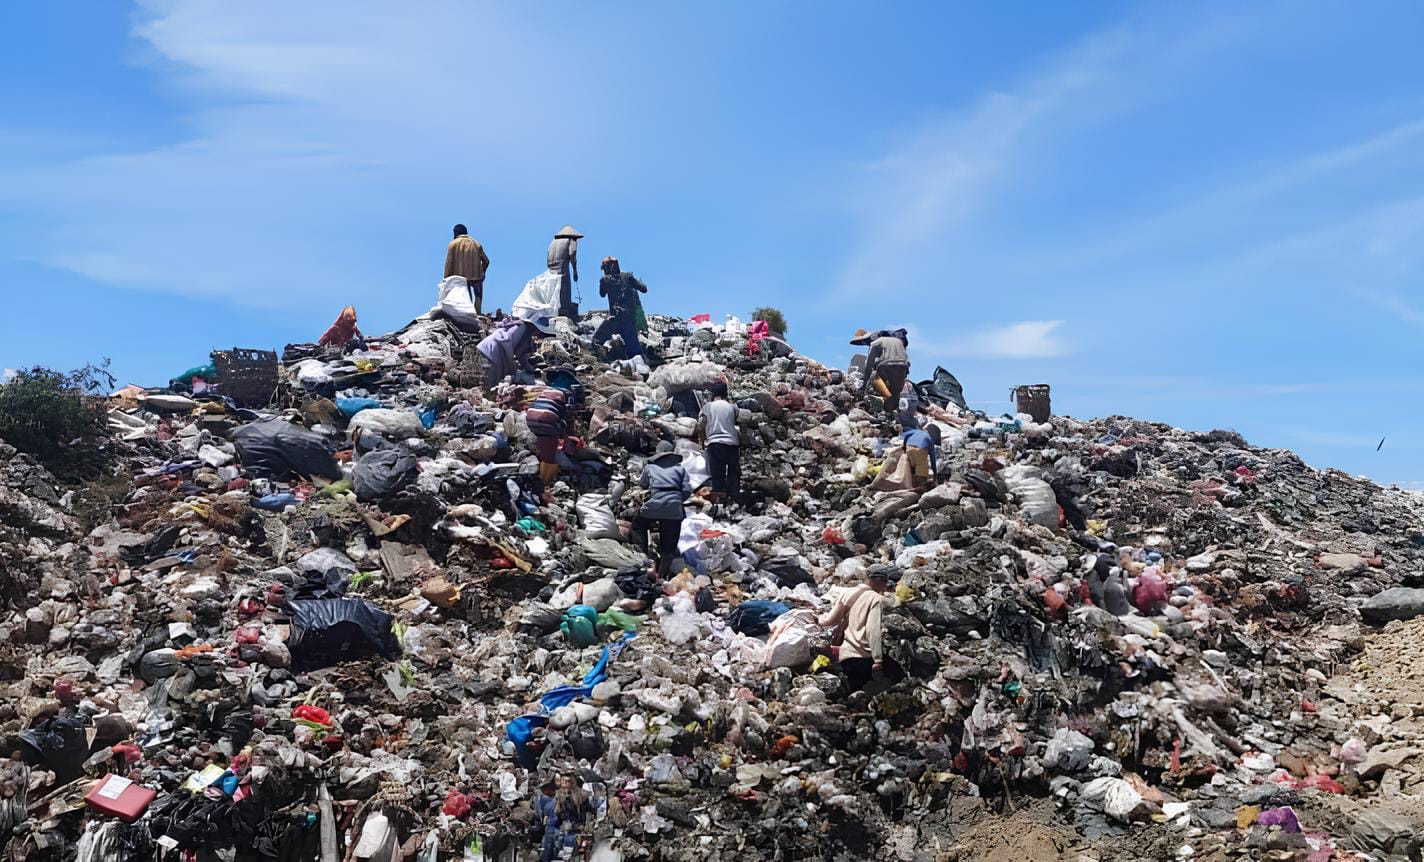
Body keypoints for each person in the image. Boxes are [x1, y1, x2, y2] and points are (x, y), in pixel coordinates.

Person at [817, 567, 889, 693]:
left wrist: (816, 620)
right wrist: (878, 660)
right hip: (863, 656)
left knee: (848, 691)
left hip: (845, 654)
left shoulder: (847, 593)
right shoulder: (876, 599)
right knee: (861, 695)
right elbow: (873, 631)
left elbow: (831, 621)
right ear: (881, 583)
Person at [633, 441, 692, 579]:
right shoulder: (681, 469)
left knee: (638, 525)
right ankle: (661, 576)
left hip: (655, 504)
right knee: (669, 545)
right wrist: (677, 499)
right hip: (674, 508)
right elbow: (687, 490)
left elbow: (643, 484)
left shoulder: (650, 466)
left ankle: (644, 559)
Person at [477, 316, 550, 390]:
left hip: (492, 349)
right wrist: (529, 369)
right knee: (491, 387)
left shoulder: (522, 327)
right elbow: (520, 352)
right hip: (493, 352)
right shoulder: (525, 331)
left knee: (495, 385)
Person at [594, 257, 647, 358]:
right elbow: (644, 289)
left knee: (596, 341)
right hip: (629, 319)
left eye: (605, 268)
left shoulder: (605, 280)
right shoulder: (628, 277)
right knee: (634, 351)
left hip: (615, 319)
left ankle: (605, 360)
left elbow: (602, 294)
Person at [697, 383, 740, 505]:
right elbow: (735, 420)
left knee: (717, 473)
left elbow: (701, 425)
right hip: (732, 443)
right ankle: (735, 496)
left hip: (715, 443)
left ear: (712, 394)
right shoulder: (733, 407)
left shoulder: (707, 407)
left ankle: (719, 500)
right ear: (726, 394)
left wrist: (703, 441)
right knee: (733, 471)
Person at [535, 773, 592, 862]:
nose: (564, 784)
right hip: (568, 832)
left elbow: (556, 814)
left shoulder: (568, 797)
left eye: (567, 782)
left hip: (567, 833)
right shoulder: (564, 797)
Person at [526, 383, 572, 485]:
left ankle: (537, 462)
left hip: (530, 418)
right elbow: (563, 422)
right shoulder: (561, 402)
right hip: (546, 419)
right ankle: (545, 480)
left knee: (540, 441)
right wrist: (566, 443)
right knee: (549, 452)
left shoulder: (542, 397)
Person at [444, 224, 491, 315]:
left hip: (461, 278)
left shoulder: (452, 244)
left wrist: (446, 280)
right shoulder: (476, 244)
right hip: (477, 277)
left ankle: (469, 314)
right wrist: (482, 273)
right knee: (478, 294)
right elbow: (486, 261)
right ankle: (478, 313)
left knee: (466, 297)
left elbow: (448, 264)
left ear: (455, 233)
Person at [863, 330, 910, 413]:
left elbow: (869, 364)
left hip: (886, 366)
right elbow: (907, 360)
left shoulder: (876, 342)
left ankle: (880, 412)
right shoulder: (899, 342)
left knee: (882, 389)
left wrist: (865, 382)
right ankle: (891, 415)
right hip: (903, 367)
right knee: (895, 393)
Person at [547, 225, 582, 319]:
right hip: (562, 270)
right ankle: (565, 312)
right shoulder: (571, 240)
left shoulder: (552, 243)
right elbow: (572, 253)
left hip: (550, 272)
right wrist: (575, 270)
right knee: (565, 293)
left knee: (554, 293)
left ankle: (556, 311)